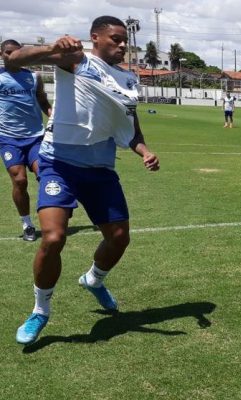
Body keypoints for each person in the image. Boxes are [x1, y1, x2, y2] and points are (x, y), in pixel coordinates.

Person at [6, 16, 161, 345]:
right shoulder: (76, 60)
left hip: (100, 170)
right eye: (116, 39)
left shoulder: (128, 80)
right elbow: (14, 59)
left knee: (119, 238)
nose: (123, 45)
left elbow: (131, 129)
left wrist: (145, 151)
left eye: (125, 40)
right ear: (95, 38)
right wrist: (53, 47)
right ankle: (40, 311)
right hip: (59, 164)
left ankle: (93, 279)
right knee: (53, 238)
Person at [0, 39, 52, 241]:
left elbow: (43, 101)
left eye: (16, 52)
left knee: (45, 175)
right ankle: (27, 224)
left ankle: (54, 216)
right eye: (8, 52)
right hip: (8, 138)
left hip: (36, 136)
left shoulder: (34, 76)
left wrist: (53, 118)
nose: (12, 56)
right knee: (20, 180)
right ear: (2, 54)